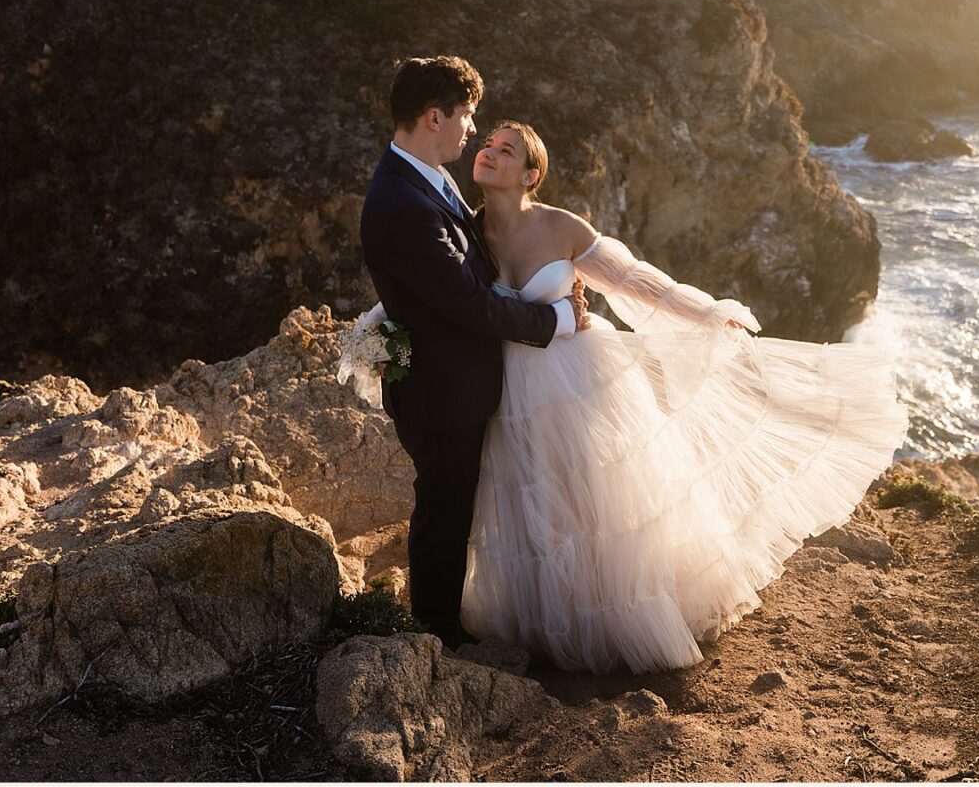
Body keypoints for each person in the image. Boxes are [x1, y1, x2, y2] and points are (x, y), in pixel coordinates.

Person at [452, 119, 909, 674]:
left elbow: (637, 281)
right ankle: (556, 623)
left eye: (508, 150)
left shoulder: (561, 226)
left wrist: (711, 313)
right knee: (537, 508)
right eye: (487, 145)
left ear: (531, 174)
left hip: (578, 380)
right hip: (512, 391)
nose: (490, 153)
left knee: (601, 500)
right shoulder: (468, 233)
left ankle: (616, 621)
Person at [357, 55, 590, 651]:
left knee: (457, 508)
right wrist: (556, 318)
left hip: (457, 383)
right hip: (440, 394)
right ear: (435, 116)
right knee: (444, 513)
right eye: (467, 117)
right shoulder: (401, 202)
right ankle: (436, 638)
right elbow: (468, 303)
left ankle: (442, 625)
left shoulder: (428, 175)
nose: (470, 131)